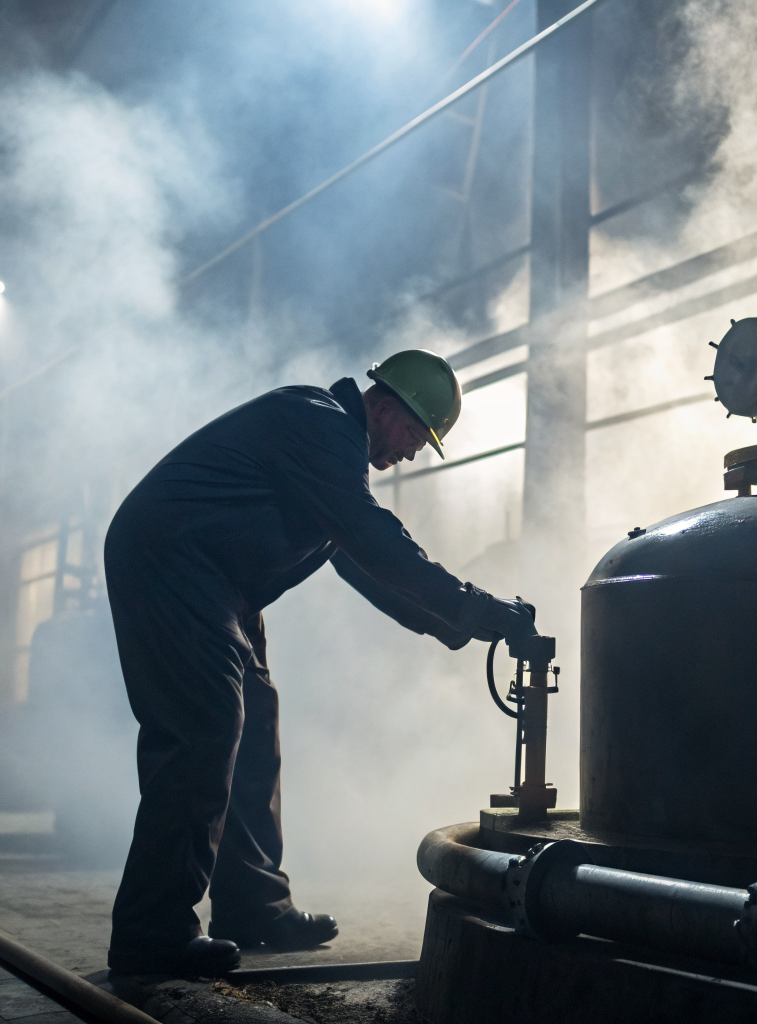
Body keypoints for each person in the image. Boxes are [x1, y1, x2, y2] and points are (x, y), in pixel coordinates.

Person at [104, 350, 536, 977]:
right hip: (173, 560)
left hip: (218, 581)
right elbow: (376, 540)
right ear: (384, 409)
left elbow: (367, 569)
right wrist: (478, 608)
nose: (414, 451)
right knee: (204, 728)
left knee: (253, 726)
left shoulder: (328, 462)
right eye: (416, 434)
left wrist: (461, 627)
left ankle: (253, 906)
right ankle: (150, 932)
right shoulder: (318, 423)